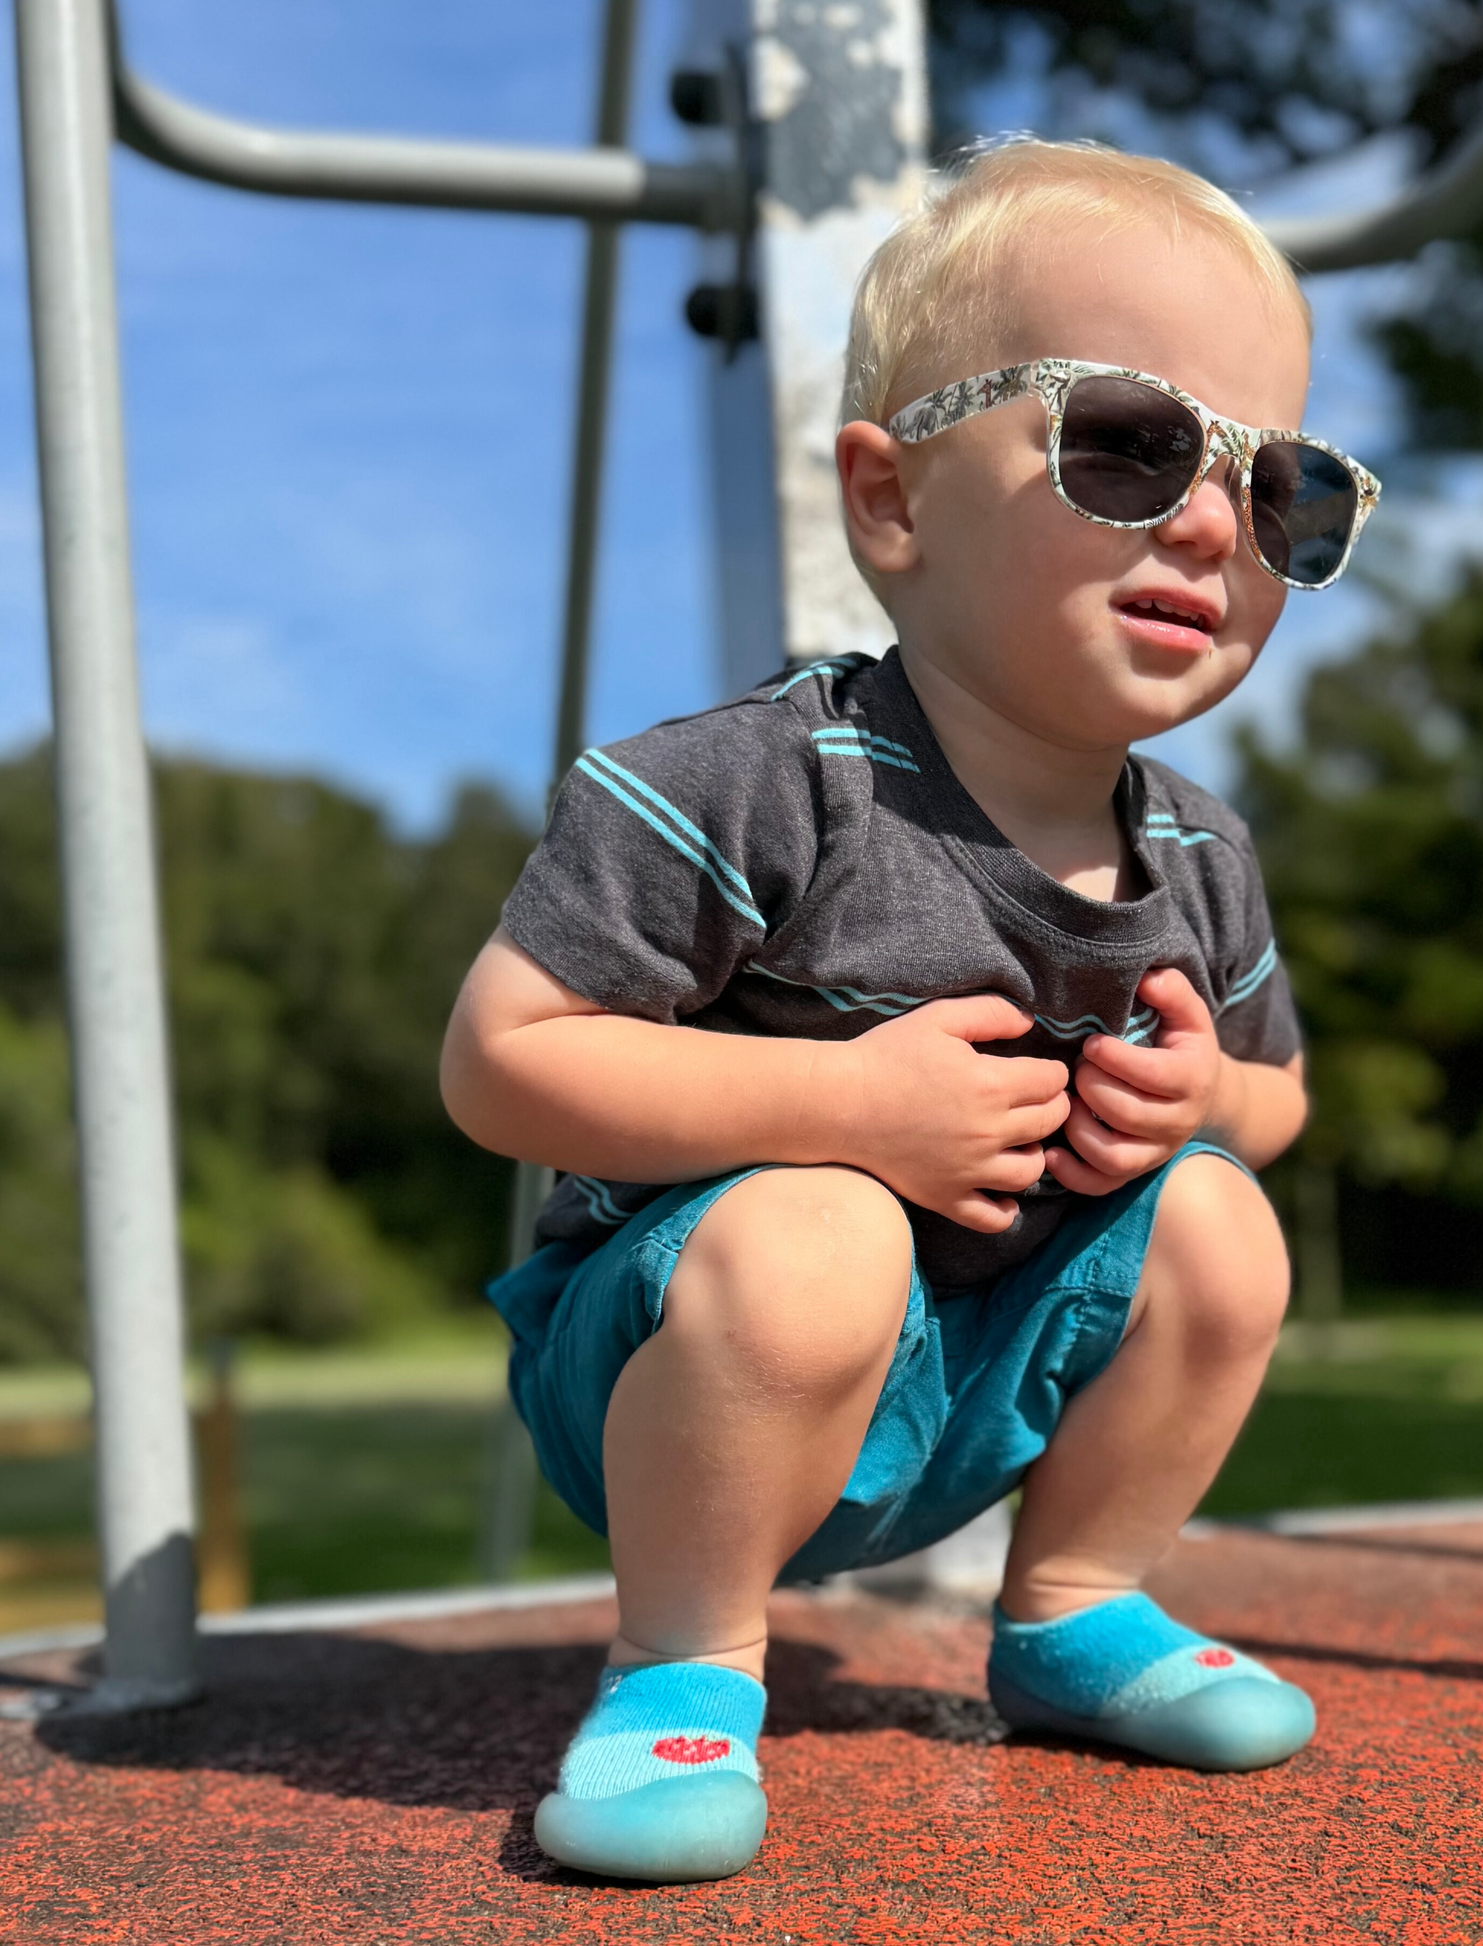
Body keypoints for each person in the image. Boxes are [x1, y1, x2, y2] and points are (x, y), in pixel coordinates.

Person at [440, 137, 1379, 1884]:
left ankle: (1077, 1604)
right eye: (1125, 443)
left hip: (982, 1378)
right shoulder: (750, 787)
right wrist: (844, 1114)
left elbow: (1279, 1099)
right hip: (683, 1377)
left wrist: (1197, 1110)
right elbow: (503, 1062)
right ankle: (683, 1664)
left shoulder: (1200, 854)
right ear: (892, 502)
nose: (1205, 520)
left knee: (1225, 1229)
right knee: (817, 1231)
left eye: (1284, 489)